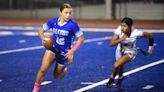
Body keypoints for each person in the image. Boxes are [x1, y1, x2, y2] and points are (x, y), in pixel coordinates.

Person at [32, 3, 84, 92]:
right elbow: (41, 30)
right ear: (60, 13)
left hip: (64, 53)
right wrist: (43, 38)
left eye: (70, 13)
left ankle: (64, 69)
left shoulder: (73, 25)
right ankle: (35, 90)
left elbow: (81, 39)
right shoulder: (53, 22)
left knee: (57, 76)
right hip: (52, 49)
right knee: (43, 69)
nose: (68, 15)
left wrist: (72, 50)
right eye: (66, 12)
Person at [106, 17, 154, 89]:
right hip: (120, 49)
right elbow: (111, 44)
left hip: (130, 52)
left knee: (116, 65)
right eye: (121, 25)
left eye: (124, 26)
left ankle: (112, 78)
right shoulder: (119, 30)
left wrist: (150, 49)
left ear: (130, 27)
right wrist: (121, 39)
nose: (122, 28)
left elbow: (151, 36)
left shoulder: (136, 33)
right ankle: (120, 77)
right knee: (120, 66)